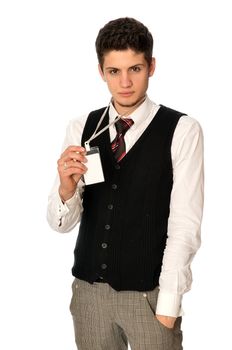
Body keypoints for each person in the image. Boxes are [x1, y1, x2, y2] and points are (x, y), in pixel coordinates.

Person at [47, 17, 204, 350]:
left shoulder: (181, 130)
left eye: (135, 69)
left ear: (152, 66)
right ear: (102, 72)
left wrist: (169, 304)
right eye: (114, 72)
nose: (125, 83)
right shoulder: (83, 127)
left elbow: (185, 224)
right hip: (89, 297)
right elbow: (61, 225)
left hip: (149, 297)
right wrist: (65, 187)